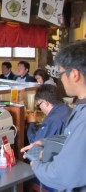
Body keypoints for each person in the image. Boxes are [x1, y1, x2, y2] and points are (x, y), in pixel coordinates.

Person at [21, 40, 86, 191]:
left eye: (61, 73)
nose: (61, 79)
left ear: (74, 74)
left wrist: (36, 164)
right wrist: (45, 142)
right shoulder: (79, 106)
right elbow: (71, 137)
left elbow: (62, 175)